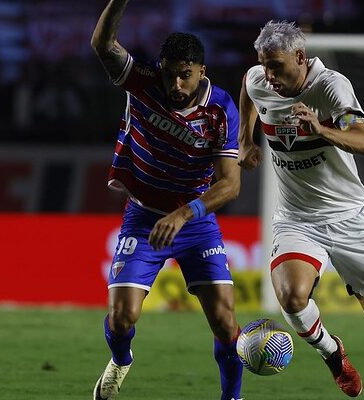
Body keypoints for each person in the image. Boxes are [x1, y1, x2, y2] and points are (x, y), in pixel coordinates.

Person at [238, 21, 364, 399]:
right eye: (264, 64)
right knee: (292, 298)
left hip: (349, 219)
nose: (269, 75)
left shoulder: (331, 88)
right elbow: (248, 92)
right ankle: (332, 354)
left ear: (300, 57)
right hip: (297, 218)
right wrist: (245, 141)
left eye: (276, 65)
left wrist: (320, 128)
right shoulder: (259, 80)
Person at [90, 1, 244, 399]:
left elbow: (229, 185)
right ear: (160, 68)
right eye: (171, 75)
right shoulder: (141, 81)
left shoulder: (222, 109)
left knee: (226, 322)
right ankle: (121, 360)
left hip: (194, 221)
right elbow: (102, 43)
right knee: (122, 317)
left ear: (201, 72)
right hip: (143, 217)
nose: (177, 85)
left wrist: (182, 215)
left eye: (186, 76)